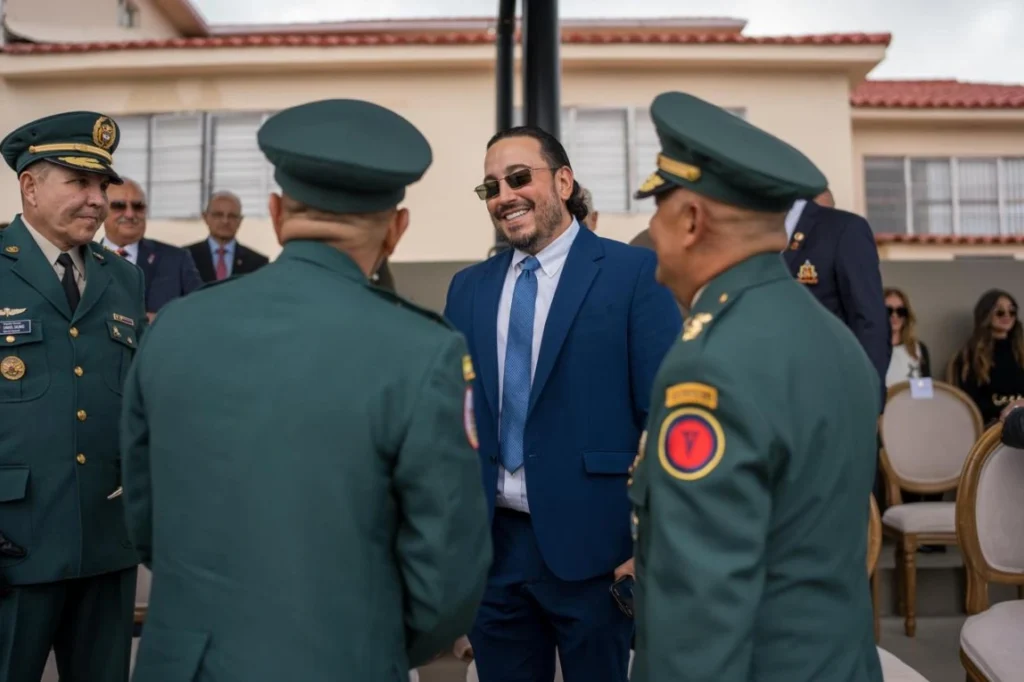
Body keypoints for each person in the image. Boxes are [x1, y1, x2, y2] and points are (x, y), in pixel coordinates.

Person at [120, 99, 492, 681]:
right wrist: (370, 644)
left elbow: (145, 521)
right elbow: (447, 570)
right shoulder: (422, 350)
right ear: (397, 230)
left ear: (275, 213)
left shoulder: (173, 327)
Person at [626, 91, 882, 682]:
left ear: (691, 220)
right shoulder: (837, 340)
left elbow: (700, 610)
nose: (651, 228)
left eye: (658, 206)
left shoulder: (710, 364)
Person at [444, 125, 681, 682]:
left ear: (565, 182)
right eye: (491, 187)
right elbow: (455, 420)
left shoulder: (634, 274)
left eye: (518, 178)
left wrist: (649, 544)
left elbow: (664, 419)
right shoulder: (468, 288)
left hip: (600, 551)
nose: (504, 196)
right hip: (494, 553)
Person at [0, 111, 147, 682]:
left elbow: (136, 405)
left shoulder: (124, 279)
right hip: (14, 542)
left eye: (102, 185)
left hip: (106, 541)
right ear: (30, 186)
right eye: (79, 182)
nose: (97, 200)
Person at [783, 187, 890, 401]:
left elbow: (869, 321)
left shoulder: (843, 229)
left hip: (823, 393)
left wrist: (866, 399)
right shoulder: (745, 230)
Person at [99, 177, 203, 320]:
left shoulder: (177, 260)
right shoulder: (83, 258)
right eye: (119, 206)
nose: (130, 214)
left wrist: (164, 320)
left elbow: (201, 310)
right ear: (101, 210)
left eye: (138, 206)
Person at [949, 289, 1024, 426]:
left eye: (1012, 311)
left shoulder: (1020, 351)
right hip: (993, 426)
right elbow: (970, 403)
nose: (1007, 316)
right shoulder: (969, 355)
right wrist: (1006, 411)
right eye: (1000, 312)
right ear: (986, 315)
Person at [186, 191, 270, 282]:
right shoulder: (185, 258)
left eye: (232, 216)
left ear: (240, 220)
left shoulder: (258, 263)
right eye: (218, 215)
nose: (225, 221)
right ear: (206, 217)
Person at [884, 287, 932, 388]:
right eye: (888, 311)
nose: (894, 315)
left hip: (911, 398)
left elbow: (924, 392)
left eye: (900, 311)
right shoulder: (870, 350)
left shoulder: (919, 349)